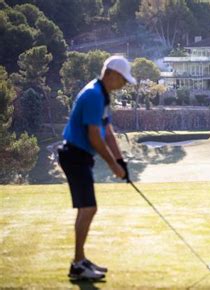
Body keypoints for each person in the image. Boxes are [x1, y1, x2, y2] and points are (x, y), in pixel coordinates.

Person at [58, 55, 136, 280]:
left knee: (88, 208)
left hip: (80, 157)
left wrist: (121, 162)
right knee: (88, 208)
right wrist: (112, 164)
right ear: (111, 74)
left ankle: (80, 261)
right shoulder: (93, 95)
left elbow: (107, 131)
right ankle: (77, 265)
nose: (123, 85)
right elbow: (94, 137)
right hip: (74, 155)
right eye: (122, 80)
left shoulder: (102, 95)